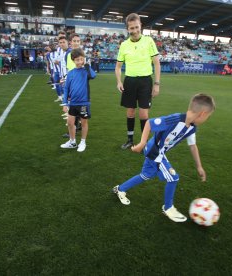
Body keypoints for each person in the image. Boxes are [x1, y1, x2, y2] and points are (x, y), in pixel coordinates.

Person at [112, 93, 215, 223]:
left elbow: (193, 146)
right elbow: (149, 123)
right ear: (203, 114)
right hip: (154, 150)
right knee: (173, 178)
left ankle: (120, 189)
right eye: (208, 117)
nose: (207, 119)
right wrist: (142, 143)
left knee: (146, 175)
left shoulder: (192, 128)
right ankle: (168, 208)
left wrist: (199, 166)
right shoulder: (175, 119)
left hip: (159, 151)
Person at [115, 13, 161, 150]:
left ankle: (144, 143)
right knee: (130, 112)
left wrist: (157, 84)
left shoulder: (149, 41)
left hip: (145, 81)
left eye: (136, 27)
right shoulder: (123, 45)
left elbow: (157, 64)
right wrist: (119, 81)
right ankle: (130, 140)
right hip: (129, 81)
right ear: (127, 29)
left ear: (140, 25)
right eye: (131, 28)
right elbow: (118, 67)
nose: (134, 31)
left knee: (143, 113)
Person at [60, 48, 96, 152]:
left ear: (84, 59)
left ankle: (83, 142)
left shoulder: (86, 71)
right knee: (70, 123)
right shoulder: (70, 73)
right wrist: (65, 103)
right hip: (73, 103)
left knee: (84, 123)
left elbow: (93, 76)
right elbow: (66, 88)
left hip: (84, 103)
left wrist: (87, 65)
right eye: (77, 60)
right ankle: (72, 142)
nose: (80, 61)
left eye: (81, 59)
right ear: (73, 60)